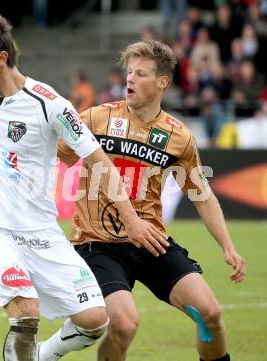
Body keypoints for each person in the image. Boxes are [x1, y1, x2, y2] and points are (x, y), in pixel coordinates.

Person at [0, 16, 168, 361]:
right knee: (26, 312)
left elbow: (99, 161)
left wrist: (131, 220)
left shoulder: (51, 106)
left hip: (42, 230)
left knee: (95, 320)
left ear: (1, 59)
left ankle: (42, 356)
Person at [57, 40, 246, 361]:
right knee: (124, 324)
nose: (129, 79)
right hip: (97, 244)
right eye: (129, 72)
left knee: (211, 314)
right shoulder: (96, 118)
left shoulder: (178, 136)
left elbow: (202, 196)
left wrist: (227, 246)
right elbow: (52, 150)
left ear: (162, 83)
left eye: (140, 74)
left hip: (150, 241)